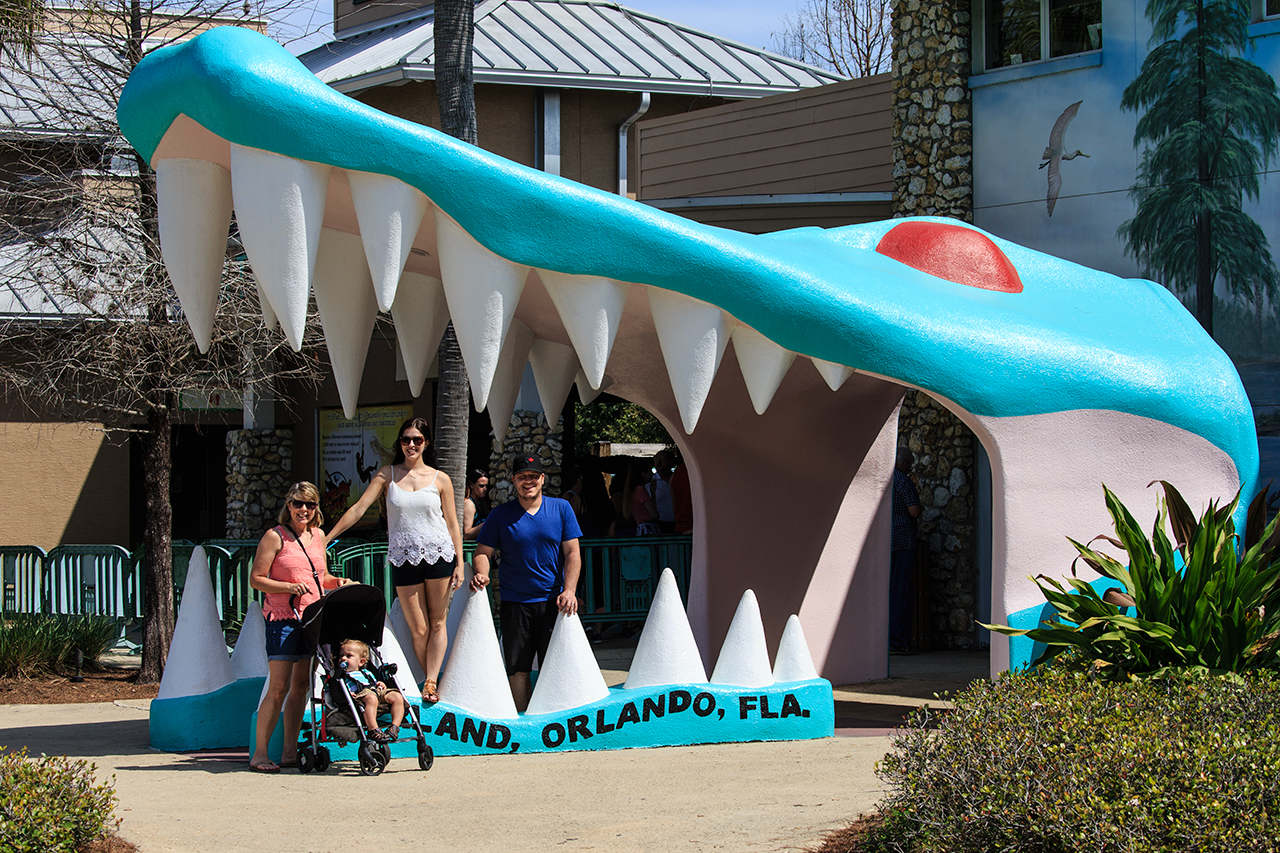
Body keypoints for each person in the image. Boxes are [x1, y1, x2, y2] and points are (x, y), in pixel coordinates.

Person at [326, 417, 464, 703]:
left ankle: (430, 682)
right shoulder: (386, 475)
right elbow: (358, 509)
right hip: (403, 557)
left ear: (426, 443)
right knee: (419, 627)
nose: (411, 445)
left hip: (439, 554)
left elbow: (452, 524)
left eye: (417, 440)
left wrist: (460, 563)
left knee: (438, 623)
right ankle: (430, 676)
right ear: (399, 443)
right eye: (406, 440)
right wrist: (326, 538)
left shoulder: (441, 479)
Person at [248, 481, 353, 772]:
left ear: (316, 508)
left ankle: (289, 753)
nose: (303, 509)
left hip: (311, 617)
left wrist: (339, 582)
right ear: (288, 505)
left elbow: (321, 577)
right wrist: (287, 586)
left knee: (301, 686)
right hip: (283, 618)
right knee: (278, 686)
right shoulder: (275, 536)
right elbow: (256, 578)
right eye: (297, 503)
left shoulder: (318, 536)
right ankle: (259, 754)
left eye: (310, 504)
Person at [470, 453, 582, 712]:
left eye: (533, 476)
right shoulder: (500, 515)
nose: (528, 482)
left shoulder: (561, 508)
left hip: (555, 602)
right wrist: (481, 573)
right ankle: (523, 723)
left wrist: (570, 590)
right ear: (513, 481)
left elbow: (573, 553)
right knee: (518, 670)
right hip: (515, 603)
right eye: (522, 477)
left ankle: (554, 720)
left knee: (554, 669)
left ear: (543, 479)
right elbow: (482, 553)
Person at [336, 638, 406, 743]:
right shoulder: (342, 676)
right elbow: (340, 689)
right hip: (362, 694)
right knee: (371, 698)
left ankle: (394, 727)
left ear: (361, 662)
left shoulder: (366, 672)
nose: (343, 658)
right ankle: (373, 729)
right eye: (341, 655)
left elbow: (374, 682)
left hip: (375, 690)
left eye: (348, 656)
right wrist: (348, 693)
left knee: (397, 696)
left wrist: (380, 684)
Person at [890, 447, 922, 654]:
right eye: (909, 463)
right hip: (904, 542)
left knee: (891, 592)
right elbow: (914, 511)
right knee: (901, 593)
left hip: (889, 542)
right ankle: (898, 641)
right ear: (903, 462)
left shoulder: (885, 481)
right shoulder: (903, 481)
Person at [462, 468, 490, 540]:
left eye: (486, 486)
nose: (485, 489)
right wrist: (488, 522)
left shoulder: (478, 503)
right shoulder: (469, 504)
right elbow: (466, 534)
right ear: (471, 485)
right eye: (481, 486)